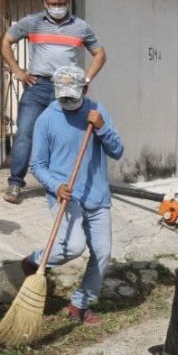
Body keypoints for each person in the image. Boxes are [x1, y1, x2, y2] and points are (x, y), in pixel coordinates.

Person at [22, 65, 124, 325]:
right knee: (74, 246)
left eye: (73, 94)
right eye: (63, 95)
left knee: (102, 253)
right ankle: (34, 261)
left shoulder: (97, 111)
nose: (67, 100)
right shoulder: (46, 119)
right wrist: (56, 186)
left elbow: (117, 151)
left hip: (97, 195)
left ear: (85, 89)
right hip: (65, 196)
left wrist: (102, 128)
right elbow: (38, 165)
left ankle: (80, 304)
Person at [0, 0, 106, 204]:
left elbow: (100, 54)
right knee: (25, 133)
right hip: (37, 87)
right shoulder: (32, 23)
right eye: (53, 4)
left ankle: (70, 182)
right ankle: (15, 183)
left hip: (68, 88)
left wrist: (86, 79)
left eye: (62, 3)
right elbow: (6, 42)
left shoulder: (80, 27)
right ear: (45, 3)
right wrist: (18, 71)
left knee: (71, 135)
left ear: (68, 2)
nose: (58, 7)